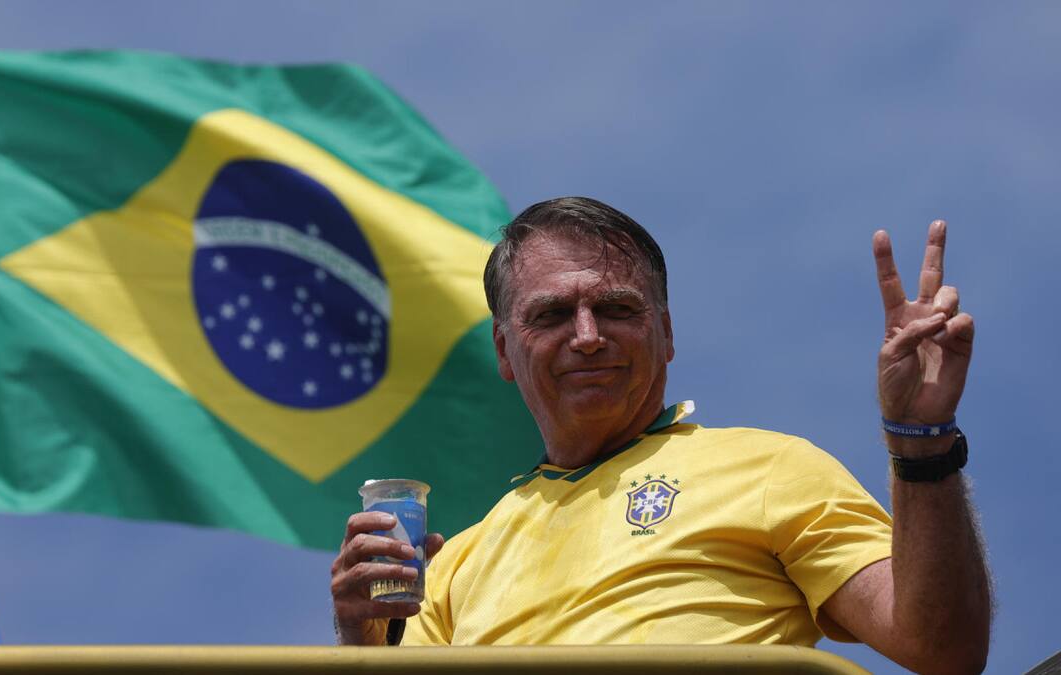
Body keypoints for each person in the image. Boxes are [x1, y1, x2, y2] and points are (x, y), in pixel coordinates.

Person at [330, 197, 990, 673]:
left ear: (666, 333)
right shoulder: (452, 568)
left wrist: (921, 438)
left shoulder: (770, 467)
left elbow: (940, 648)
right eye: (553, 314)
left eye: (617, 308)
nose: (588, 336)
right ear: (506, 350)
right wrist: (360, 640)